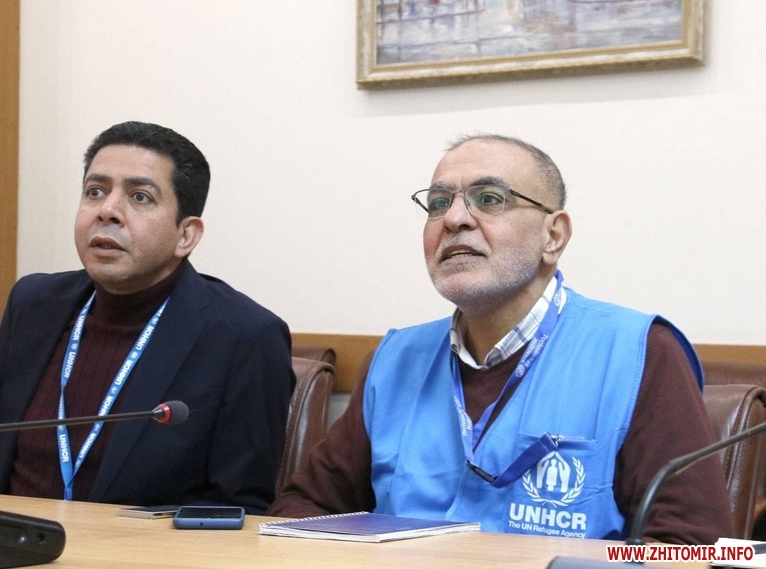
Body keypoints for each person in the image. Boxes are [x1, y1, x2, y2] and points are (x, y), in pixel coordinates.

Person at [269, 134, 733, 544]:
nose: (454, 219)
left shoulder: (639, 352)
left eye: (489, 199)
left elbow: (692, 546)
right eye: (438, 203)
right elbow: (302, 509)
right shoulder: (395, 361)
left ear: (553, 236)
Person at [0, 121, 295, 514]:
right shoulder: (33, 304)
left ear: (186, 235)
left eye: (140, 197)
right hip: (6, 541)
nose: (108, 211)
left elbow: (237, 505)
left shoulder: (245, 337)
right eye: (95, 191)